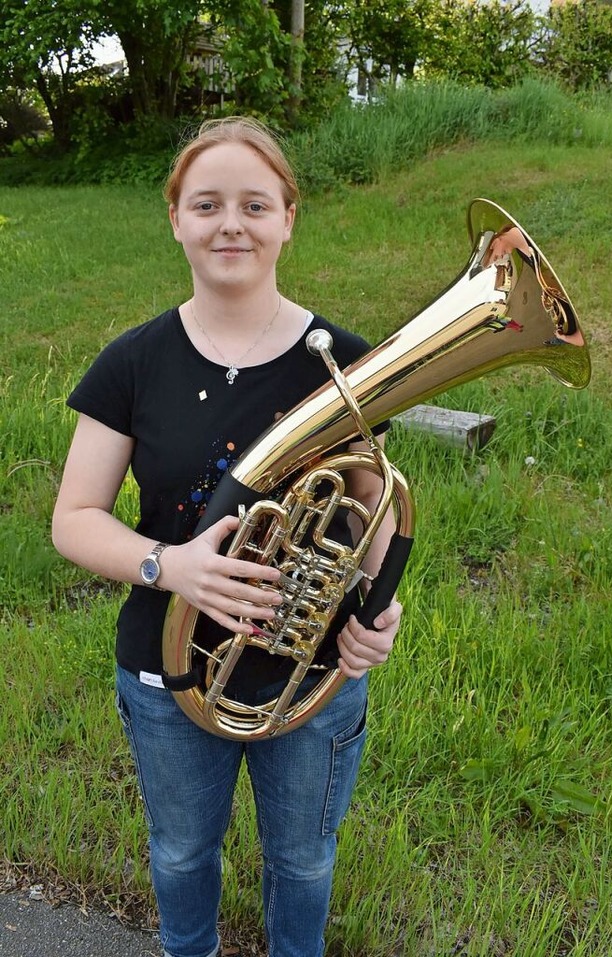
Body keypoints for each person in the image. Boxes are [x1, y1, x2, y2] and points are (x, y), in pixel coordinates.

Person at [52, 116, 403, 957]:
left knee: (305, 861)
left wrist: (380, 609)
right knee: (179, 850)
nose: (230, 224)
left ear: (289, 217)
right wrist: (171, 566)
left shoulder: (342, 361)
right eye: (206, 204)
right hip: (169, 669)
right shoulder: (132, 362)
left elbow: (377, 506)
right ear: (176, 218)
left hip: (312, 670)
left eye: (254, 204)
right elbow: (72, 519)